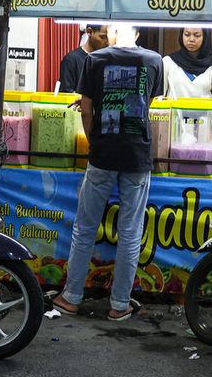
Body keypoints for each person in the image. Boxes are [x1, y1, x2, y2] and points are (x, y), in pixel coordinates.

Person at [52, 24, 164, 321]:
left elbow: (87, 109)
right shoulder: (154, 60)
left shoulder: (95, 59)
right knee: (130, 231)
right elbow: (145, 106)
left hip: (103, 153)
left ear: (113, 32)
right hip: (137, 154)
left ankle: (72, 297)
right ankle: (119, 304)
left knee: (85, 226)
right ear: (137, 33)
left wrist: (95, 141)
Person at [162, 27, 212, 99]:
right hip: (174, 110)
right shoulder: (168, 62)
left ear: (205, 37)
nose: (191, 39)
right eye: (187, 35)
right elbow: (159, 98)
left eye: (197, 35)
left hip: (205, 110)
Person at [58, 23, 110, 92]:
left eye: (109, 38)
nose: (107, 43)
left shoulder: (108, 60)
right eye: (103, 37)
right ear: (89, 32)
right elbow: (67, 92)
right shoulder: (71, 59)